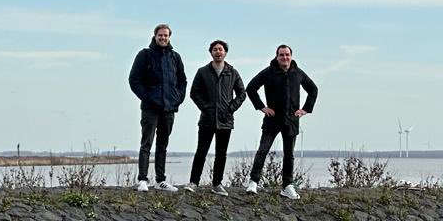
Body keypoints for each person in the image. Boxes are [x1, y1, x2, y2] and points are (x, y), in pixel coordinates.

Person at [244, 44, 318, 199]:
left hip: (291, 120)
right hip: (272, 119)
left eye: (287, 55)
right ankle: (253, 182)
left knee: (289, 154)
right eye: (281, 55)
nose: (285, 58)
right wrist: (262, 107)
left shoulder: (297, 73)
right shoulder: (269, 72)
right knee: (263, 150)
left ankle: (287, 186)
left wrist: (305, 109)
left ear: (291, 56)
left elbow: (313, 89)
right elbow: (251, 88)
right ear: (276, 57)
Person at [182, 39, 247, 196]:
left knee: (221, 153)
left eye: (221, 49)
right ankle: (193, 182)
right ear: (211, 52)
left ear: (225, 52)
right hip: (207, 119)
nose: (218, 52)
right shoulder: (203, 71)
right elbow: (194, 93)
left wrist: (230, 108)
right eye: (215, 49)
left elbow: (242, 93)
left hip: (225, 120)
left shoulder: (232, 72)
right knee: (201, 151)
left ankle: (217, 184)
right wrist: (205, 107)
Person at [128, 23, 187, 191]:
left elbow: (182, 81)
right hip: (150, 108)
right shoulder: (145, 55)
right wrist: (147, 98)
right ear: (155, 36)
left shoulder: (175, 57)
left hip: (169, 108)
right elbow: (134, 80)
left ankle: (160, 180)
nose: (163, 38)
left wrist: (178, 99)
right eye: (160, 35)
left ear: (169, 37)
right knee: (146, 143)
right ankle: (143, 180)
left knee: (163, 145)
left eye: (166, 35)